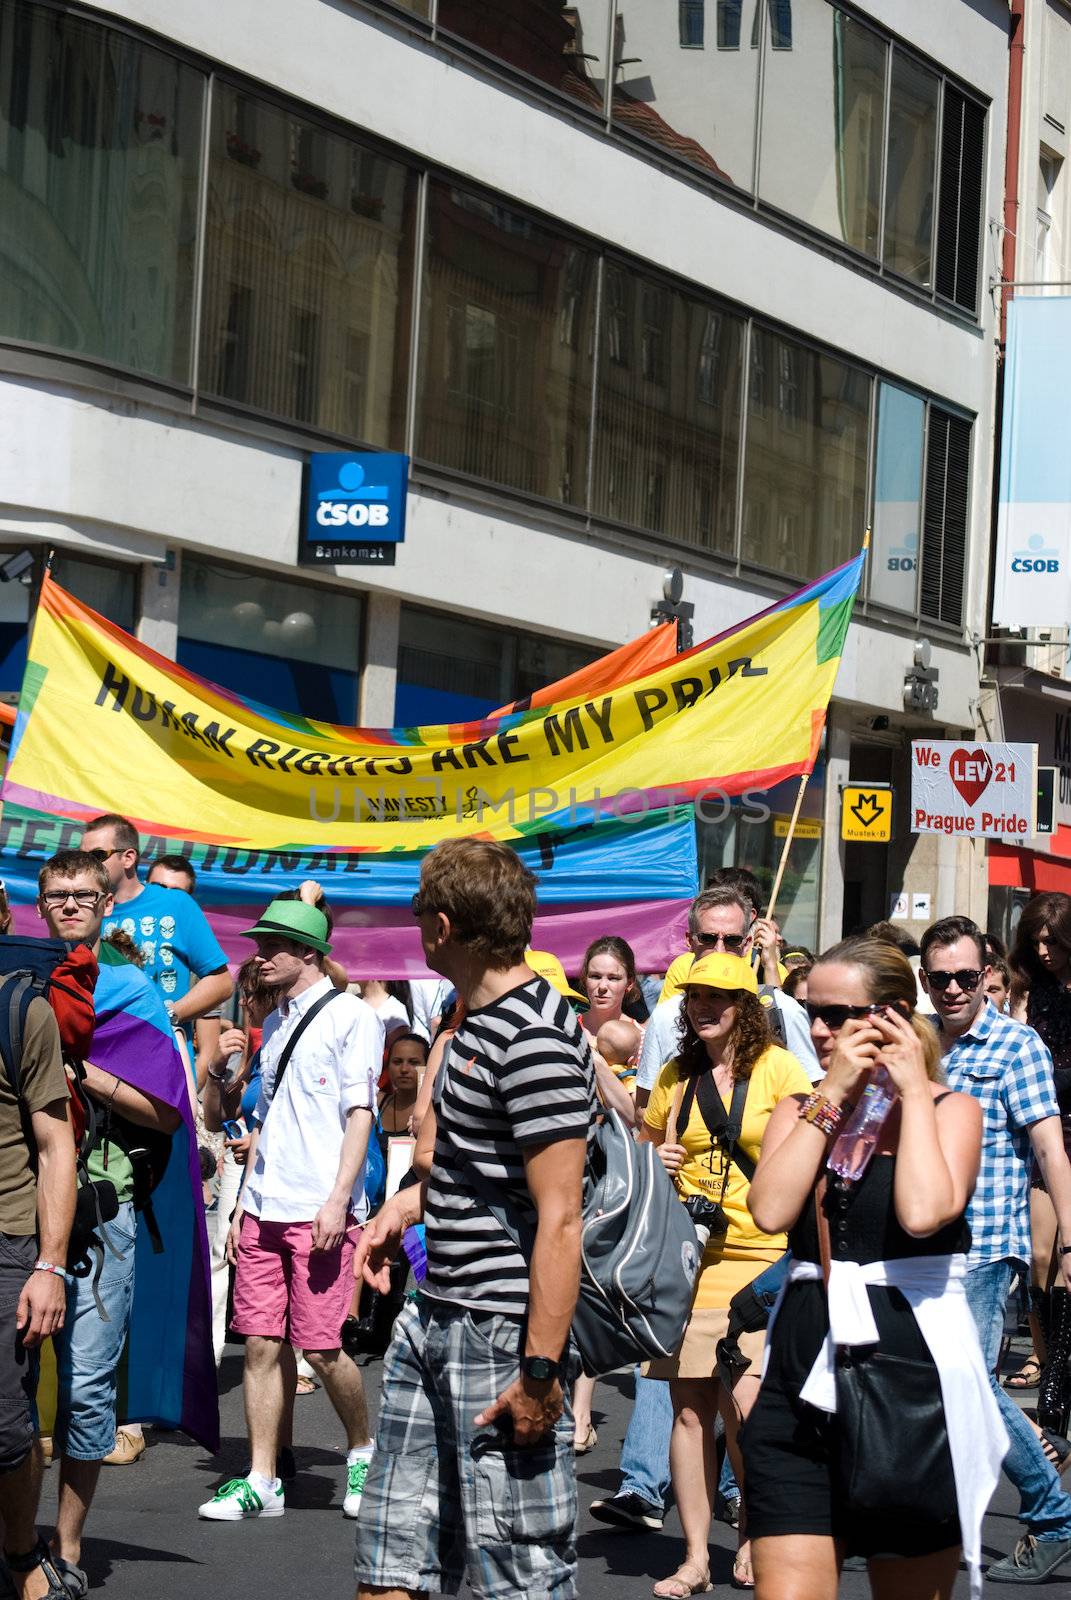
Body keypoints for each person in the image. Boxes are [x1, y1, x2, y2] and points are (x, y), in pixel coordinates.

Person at [352, 838, 596, 1600]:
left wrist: (539, 1372)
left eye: (420, 912)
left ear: (445, 924)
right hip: (434, 1315)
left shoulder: (532, 1040)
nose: (415, 926)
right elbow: (480, 1171)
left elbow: (560, 1217)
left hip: (500, 1332)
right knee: (391, 1561)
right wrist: (405, 1204)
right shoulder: (472, 1026)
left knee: (515, 1575)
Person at [742, 937, 1002, 1600]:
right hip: (803, 1375)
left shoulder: (952, 1111)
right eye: (809, 1015)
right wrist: (830, 1095)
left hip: (909, 1378)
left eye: (837, 1015)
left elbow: (923, 1213)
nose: (820, 1030)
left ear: (887, 1017)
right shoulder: (798, 1109)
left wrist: (912, 1093)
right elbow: (770, 1209)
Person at [199, 897, 382, 1523]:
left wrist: (338, 1200)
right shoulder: (272, 1024)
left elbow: (361, 1115)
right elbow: (265, 1123)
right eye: (259, 943)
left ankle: (362, 1451)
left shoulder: (354, 1018)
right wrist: (241, 1206)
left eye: (273, 944)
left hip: (319, 1210)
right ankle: (262, 1477)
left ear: (308, 952)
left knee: (325, 1347)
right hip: (264, 1206)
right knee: (258, 1344)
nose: (261, 954)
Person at [642, 952, 813, 1596]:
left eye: (721, 996)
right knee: (688, 1411)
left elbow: (809, 1143)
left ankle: (751, 1535)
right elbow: (642, 1145)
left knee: (744, 1410)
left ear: (745, 1007)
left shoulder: (779, 1069)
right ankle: (694, 1557)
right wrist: (654, 1157)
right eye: (696, 995)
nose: (705, 1005)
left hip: (761, 1260)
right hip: (688, 1263)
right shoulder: (675, 1075)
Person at [38, 850, 182, 1590]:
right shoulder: (19, 980)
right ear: (41, 906)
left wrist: (78, 1068)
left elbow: (164, 1110)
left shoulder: (130, 990)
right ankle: (14, 1538)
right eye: (57, 895)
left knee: (89, 1387)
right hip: (17, 1209)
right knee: (13, 1388)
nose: (69, 905)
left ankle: (64, 1545)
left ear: (105, 903)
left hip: (102, 1211)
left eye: (82, 895)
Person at [923, 913, 1071, 1583]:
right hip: (917, 1247)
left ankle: (1049, 1515)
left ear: (984, 975)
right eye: (938, 979)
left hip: (984, 1245)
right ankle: (921, 1521)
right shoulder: (920, 1045)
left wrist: (1068, 1243)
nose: (951, 989)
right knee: (927, 1384)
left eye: (962, 976)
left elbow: (1049, 1149)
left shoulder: (1016, 1047)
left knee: (973, 1387)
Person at [0, 914, 74, 1600]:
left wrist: (49, 1266)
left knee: (4, 1424)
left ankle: (21, 1555)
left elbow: (55, 1146)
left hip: (5, 1240)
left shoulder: (21, 1009)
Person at [637, 889, 819, 1111]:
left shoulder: (782, 1010)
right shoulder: (666, 1016)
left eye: (732, 940)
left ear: (747, 943)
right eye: (707, 938)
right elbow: (644, 1111)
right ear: (689, 941)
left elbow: (813, 1101)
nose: (719, 950)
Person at [81, 815, 233, 1047]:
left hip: (163, 1058)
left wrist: (167, 1016)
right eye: (82, 857)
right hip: (100, 1056)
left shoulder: (176, 904)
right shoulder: (81, 910)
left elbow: (221, 982)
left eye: (97, 856)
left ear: (128, 857)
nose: (87, 864)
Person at [1005, 897, 1071, 1397]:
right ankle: (1049, 1359)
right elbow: (1022, 1050)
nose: (1044, 950)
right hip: (1046, 1132)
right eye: (1036, 941)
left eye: (1053, 940)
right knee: (1038, 1260)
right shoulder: (1032, 991)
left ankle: (1060, 1371)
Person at [202, 958, 279, 1369]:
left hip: (278, 1173)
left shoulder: (286, 1038)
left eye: (253, 995)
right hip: (240, 1164)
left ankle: (290, 1356)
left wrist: (261, 1140)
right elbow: (218, 1116)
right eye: (245, 994)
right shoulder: (259, 1045)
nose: (245, 1003)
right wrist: (216, 1069)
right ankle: (210, 1357)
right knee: (221, 1253)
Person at [146, 855, 222, 1092]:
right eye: (158, 888)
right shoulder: (119, 934)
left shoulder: (199, 966)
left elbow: (208, 1052)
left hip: (170, 1081)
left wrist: (183, 1098)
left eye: (177, 893)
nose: (166, 898)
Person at [580, 936, 645, 1046]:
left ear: (629, 983)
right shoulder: (565, 1029)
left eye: (613, 978)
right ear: (585, 978)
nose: (602, 986)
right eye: (595, 976)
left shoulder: (641, 1040)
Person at [377, 1032, 426, 1152]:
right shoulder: (375, 1102)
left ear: (428, 1066)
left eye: (413, 1062)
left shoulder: (433, 1112)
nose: (404, 1069)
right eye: (397, 1062)